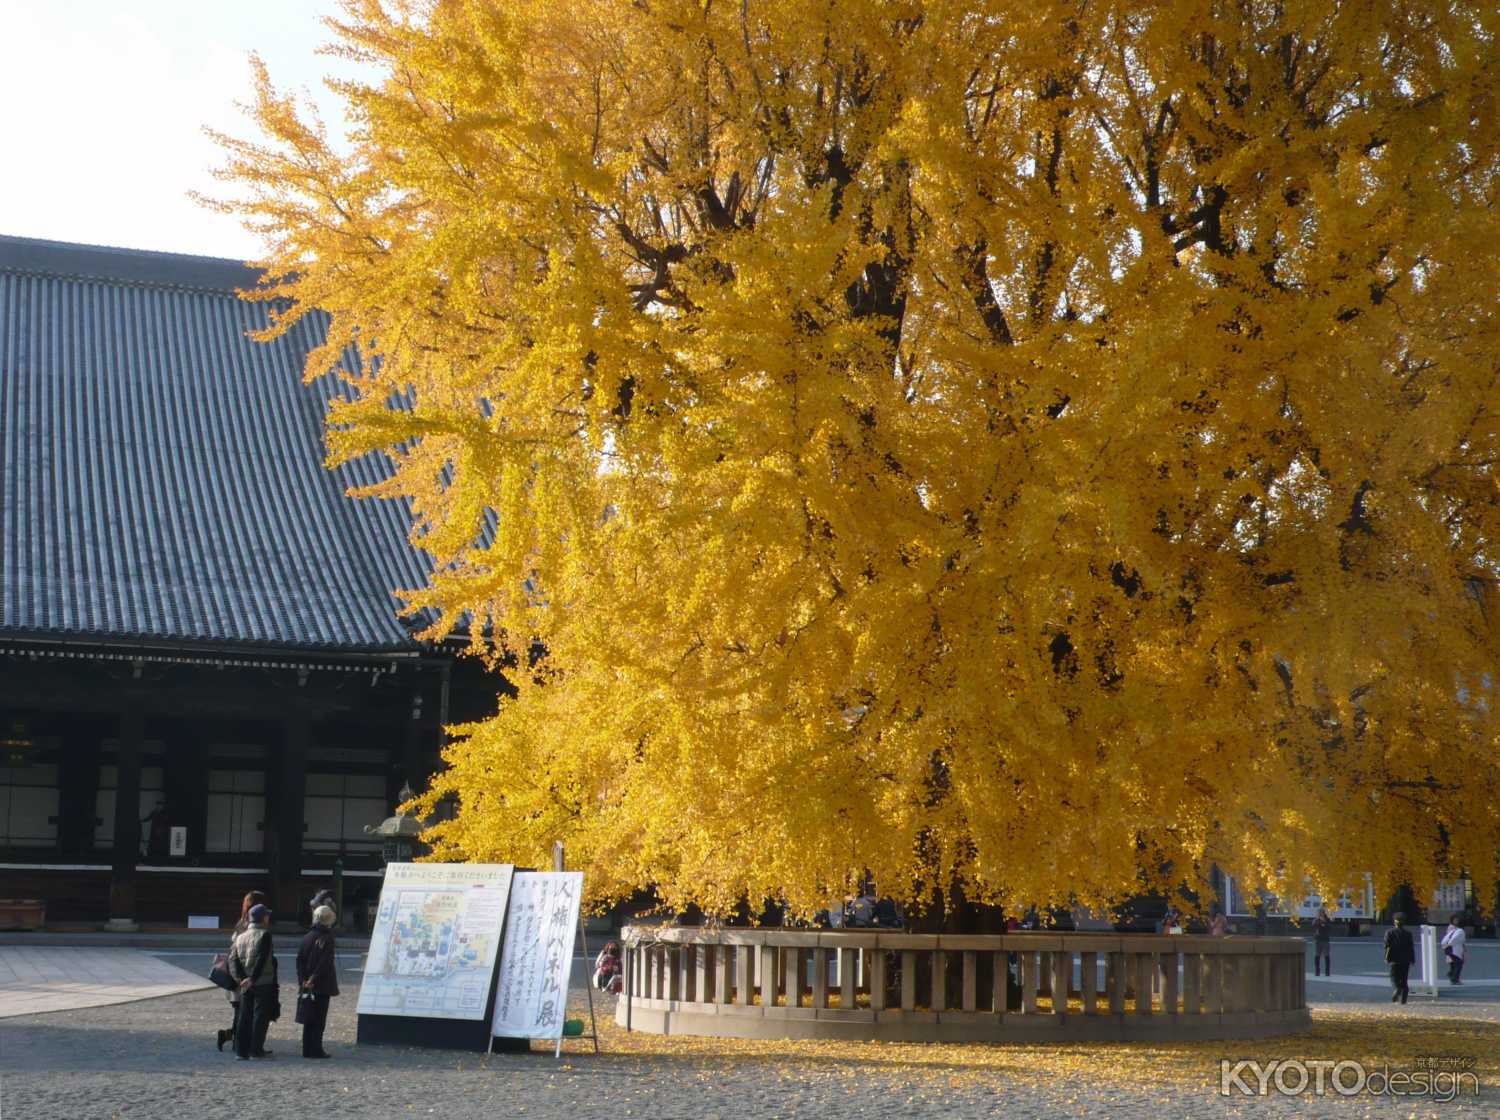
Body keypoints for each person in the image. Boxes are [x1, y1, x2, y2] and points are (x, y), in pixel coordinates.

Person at [218, 890, 267, 1052]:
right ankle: (237, 1042)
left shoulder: (241, 922)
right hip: (243, 972)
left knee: (240, 1011)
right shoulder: (248, 926)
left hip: (237, 971)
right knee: (244, 1011)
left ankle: (230, 1037)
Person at [229, 903, 277, 1059]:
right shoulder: (264, 934)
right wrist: (253, 978)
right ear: (263, 918)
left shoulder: (240, 936)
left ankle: (241, 1051)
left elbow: (234, 959)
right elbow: (262, 959)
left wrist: (242, 978)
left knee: (244, 1015)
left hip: (245, 982)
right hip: (262, 980)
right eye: (267, 915)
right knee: (260, 1016)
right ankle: (256, 1049)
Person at [296, 905, 339, 1058]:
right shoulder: (328, 938)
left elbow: (299, 960)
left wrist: (303, 980)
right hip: (321, 983)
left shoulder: (307, 936)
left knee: (309, 1018)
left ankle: (307, 1049)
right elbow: (324, 962)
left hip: (307, 984)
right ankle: (316, 1049)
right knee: (319, 1019)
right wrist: (313, 979)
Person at [1383, 911, 1416, 1004]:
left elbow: (1387, 946)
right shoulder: (1408, 933)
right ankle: (1403, 1000)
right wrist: (1412, 959)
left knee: (1394, 977)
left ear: (1394, 921)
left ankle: (1397, 988)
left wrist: (1386, 957)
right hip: (1406, 959)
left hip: (1394, 959)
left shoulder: (1389, 932)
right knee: (1404, 979)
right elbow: (1411, 947)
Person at [1440, 915, 1467, 985]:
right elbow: (1453, 938)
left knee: (1454, 964)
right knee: (1458, 964)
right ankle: (1454, 978)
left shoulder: (1456, 929)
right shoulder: (1456, 929)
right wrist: (1448, 944)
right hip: (1453, 949)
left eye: (1457, 920)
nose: (1456, 921)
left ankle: (1452, 975)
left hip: (1450, 948)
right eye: (1455, 920)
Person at [1312, 906, 1332, 976]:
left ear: (1324, 913)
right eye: (1319, 913)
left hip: (1325, 940)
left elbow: (1329, 928)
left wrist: (1324, 922)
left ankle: (1327, 971)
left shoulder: (1327, 919)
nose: (1320, 914)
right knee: (1317, 955)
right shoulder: (1316, 919)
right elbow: (1313, 926)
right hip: (1318, 940)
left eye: (1321, 912)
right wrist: (1317, 921)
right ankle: (1317, 971)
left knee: (1326, 955)